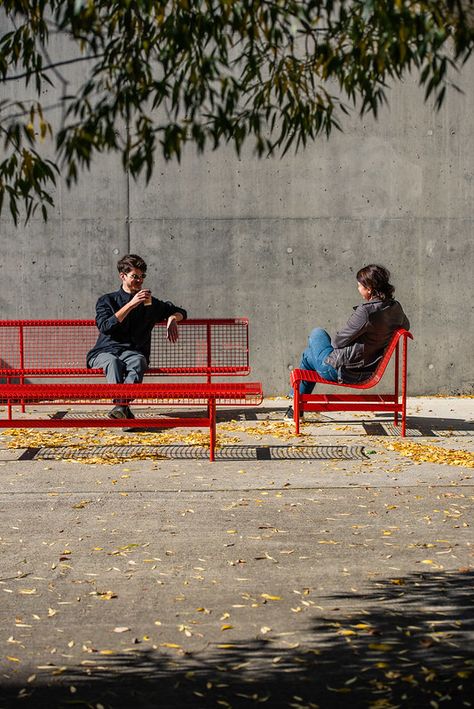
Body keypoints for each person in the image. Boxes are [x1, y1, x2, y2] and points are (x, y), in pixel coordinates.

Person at [285, 264, 410, 419]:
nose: (358, 289)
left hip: (343, 371)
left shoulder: (366, 312)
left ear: (369, 288)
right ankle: (293, 409)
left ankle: (294, 404)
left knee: (317, 333)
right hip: (368, 369)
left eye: (360, 286)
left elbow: (338, 342)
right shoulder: (395, 308)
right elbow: (406, 325)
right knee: (308, 355)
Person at [87, 254, 187, 421]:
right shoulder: (107, 300)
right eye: (135, 276)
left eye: (142, 277)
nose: (139, 281)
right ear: (123, 276)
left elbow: (180, 311)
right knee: (113, 362)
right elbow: (105, 326)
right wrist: (131, 304)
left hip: (132, 352)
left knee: (139, 361)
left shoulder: (149, 303)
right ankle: (123, 408)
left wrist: (173, 318)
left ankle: (121, 408)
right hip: (104, 352)